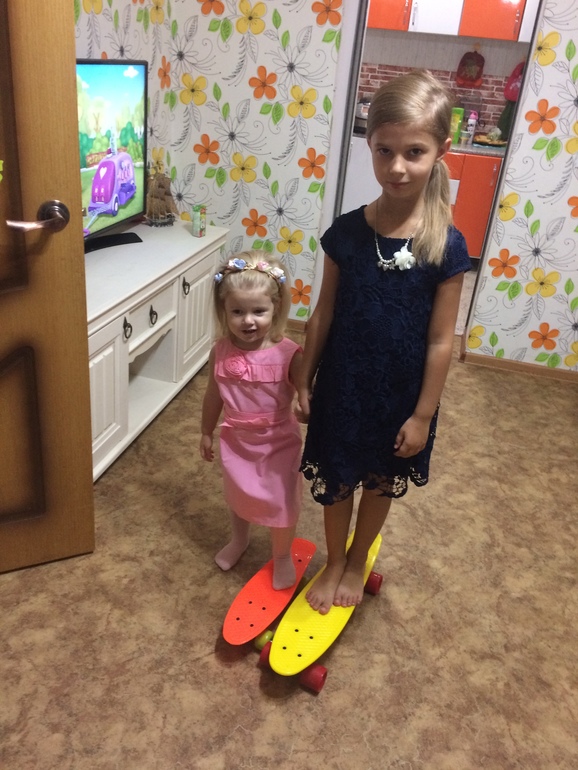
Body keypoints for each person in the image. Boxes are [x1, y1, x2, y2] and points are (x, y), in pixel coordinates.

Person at [297, 69, 471, 614]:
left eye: (414, 152)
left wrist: (422, 415)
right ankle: (333, 560)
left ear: (441, 151)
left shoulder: (446, 246)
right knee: (336, 479)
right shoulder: (346, 233)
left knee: (378, 482)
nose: (397, 166)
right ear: (369, 146)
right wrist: (303, 378)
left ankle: (357, 559)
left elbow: (441, 341)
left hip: (400, 396)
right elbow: (323, 313)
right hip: (343, 385)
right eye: (384, 151)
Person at [200, 251, 303, 590]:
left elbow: (306, 394)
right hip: (237, 440)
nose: (248, 321)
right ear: (224, 310)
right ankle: (239, 539)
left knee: (281, 500)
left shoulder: (288, 353)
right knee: (239, 493)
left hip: (278, 442)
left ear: (276, 308)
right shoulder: (220, 350)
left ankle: (282, 555)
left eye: (259, 311)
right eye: (237, 312)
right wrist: (206, 431)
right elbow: (214, 394)